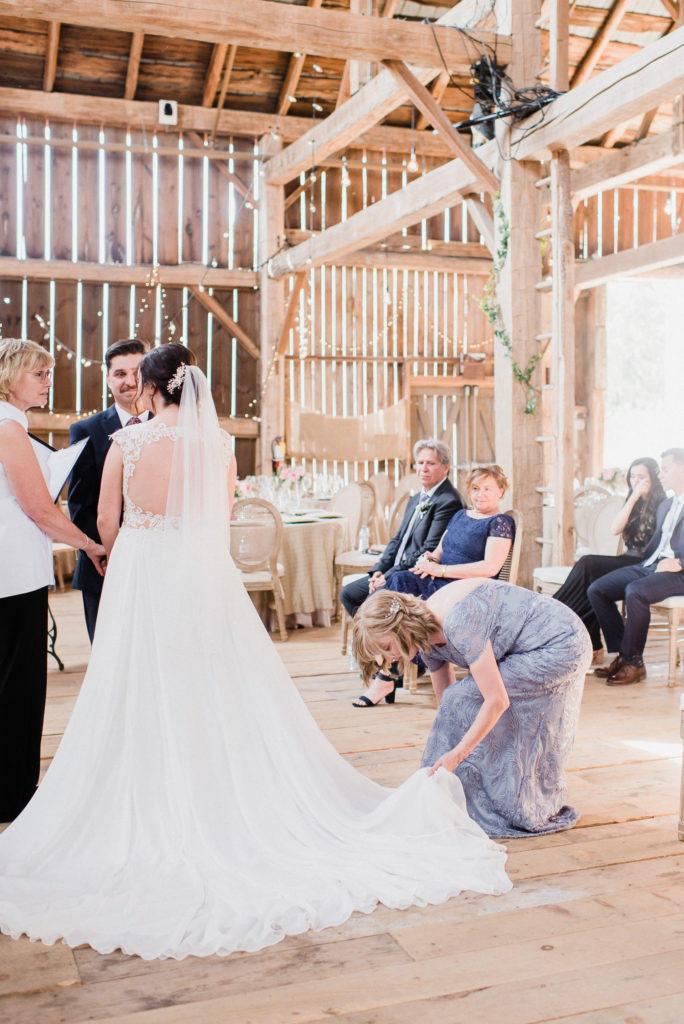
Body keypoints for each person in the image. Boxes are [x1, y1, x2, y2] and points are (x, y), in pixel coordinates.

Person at [0, 344, 510, 961]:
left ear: (153, 390)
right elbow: (218, 519)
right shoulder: (217, 447)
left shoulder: (127, 444)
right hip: (199, 571)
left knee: (137, 682)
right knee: (209, 682)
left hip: (141, 571)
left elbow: (108, 519)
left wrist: (121, 548)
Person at [352, 583, 592, 838]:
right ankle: (459, 798)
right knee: (460, 703)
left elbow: (496, 700)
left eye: (387, 647)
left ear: (401, 627)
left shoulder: (457, 622)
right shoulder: (423, 637)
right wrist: (445, 757)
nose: (388, 659)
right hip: (530, 647)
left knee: (469, 700)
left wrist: (457, 754)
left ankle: (481, 803)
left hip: (561, 643)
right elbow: (447, 704)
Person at [0, 339, 106, 823]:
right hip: (13, 574)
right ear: (11, 374)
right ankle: (15, 794)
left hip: (11, 572)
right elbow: (39, 508)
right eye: (39, 373)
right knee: (18, 688)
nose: (48, 381)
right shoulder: (7, 427)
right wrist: (89, 544)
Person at [341, 439, 464, 701]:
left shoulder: (448, 501)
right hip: (395, 571)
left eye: (430, 463)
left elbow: (429, 551)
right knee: (350, 594)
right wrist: (377, 571)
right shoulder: (416, 499)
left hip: (421, 576)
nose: (423, 469)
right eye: (420, 463)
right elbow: (396, 541)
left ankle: (393, 669)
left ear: (445, 467)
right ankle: (388, 654)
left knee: (383, 597)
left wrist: (387, 578)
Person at [68, 338, 149, 641]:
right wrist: (101, 551)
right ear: (107, 379)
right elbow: (78, 503)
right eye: (120, 374)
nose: (130, 382)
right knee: (108, 650)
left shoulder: (171, 428)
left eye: (138, 372)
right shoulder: (85, 431)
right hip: (102, 564)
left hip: (158, 562)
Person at [553, 457, 665, 662]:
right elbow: (615, 529)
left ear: (654, 478)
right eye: (633, 476)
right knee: (589, 573)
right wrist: (633, 498)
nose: (636, 481)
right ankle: (588, 638)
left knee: (588, 564)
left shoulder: (664, 504)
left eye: (642, 477)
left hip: (644, 563)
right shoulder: (633, 501)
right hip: (627, 558)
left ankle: (555, 610)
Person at [588, 448, 684, 685]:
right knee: (597, 590)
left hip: (680, 572)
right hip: (651, 565)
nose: (660, 475)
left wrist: (680, 562)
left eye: (666, 469)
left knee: (636, 591)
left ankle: (634, 662)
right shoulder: (668, 504)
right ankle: (624, 655)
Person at [386, 464, 514, 599]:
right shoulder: (460, 515)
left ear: (500, 491)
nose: (480, 494)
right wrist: (427, 562)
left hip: (465, 588)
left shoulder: (499, 522)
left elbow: (490, 568)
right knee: (398, 579)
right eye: (475, 488)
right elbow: (439, 551)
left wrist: (441, 570)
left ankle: (374, 617)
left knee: (400, 582)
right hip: (440, 579)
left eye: (487, 489)